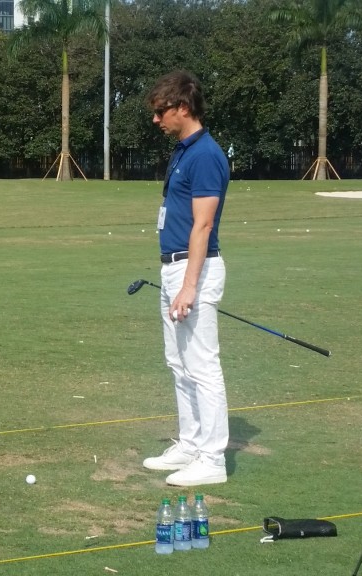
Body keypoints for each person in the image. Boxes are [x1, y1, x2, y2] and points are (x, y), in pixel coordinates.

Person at [141, 71, 230, 487]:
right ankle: (191, 444)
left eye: (161, 111)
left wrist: (190, 285)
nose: (156, 119)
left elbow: (203, 224)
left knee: (202, 366)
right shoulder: (182, 151)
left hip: (194, 268)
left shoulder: (206, 154)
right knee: (179, 365)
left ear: (183, 108)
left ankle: (212, 458)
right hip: (173, 266)